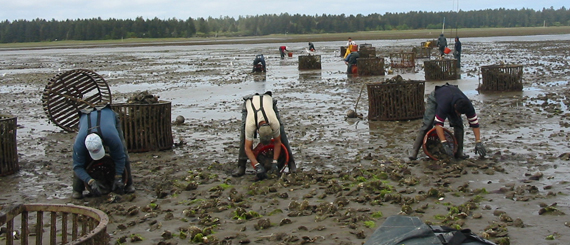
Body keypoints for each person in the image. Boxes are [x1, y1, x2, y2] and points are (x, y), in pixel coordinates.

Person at [408, 83, 487, 160]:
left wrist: (478, 141)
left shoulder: (468, 106)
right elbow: (438, 124)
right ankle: (414, 152)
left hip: (453, 96)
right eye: (458, 112)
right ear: (455, 107)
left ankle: (459, 153)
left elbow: (475, 124)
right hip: (436, 97)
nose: (459, 114)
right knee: (427, 125)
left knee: (458, 125)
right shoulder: (444, 105)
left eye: (461, 113)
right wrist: (444, 142)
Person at [71, 105, 135, 199]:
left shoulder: (111, 137)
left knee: (123, 151)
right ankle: (77, 190)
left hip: (108, 116)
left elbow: (120, 157)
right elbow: (77, 166)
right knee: (82, 160)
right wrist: (90, 181)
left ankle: (129, 184)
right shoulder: (79, 144)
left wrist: (118, 177)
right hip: (86, 117)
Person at [232, 91, 296, 179]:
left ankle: (291, 163)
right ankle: (241, 166)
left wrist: (274, 163)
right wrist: (257, 166)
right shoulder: (250, 124)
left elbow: (277, 142)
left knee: (281, 132)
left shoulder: (274, 123)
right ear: (257, 131)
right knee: (244, 135)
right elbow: (248, 148)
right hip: (249, 104)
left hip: (269, 104)